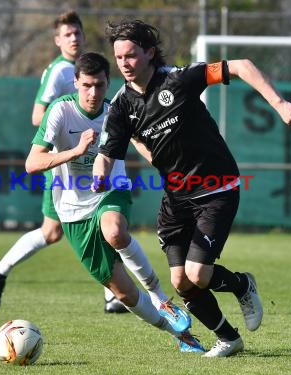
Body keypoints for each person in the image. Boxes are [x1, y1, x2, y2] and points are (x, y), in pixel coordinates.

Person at [93, 20, 291, 357]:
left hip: (216, 186)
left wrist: (279, 104)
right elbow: (106, 154)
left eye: (131, 55)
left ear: (149, 53)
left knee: (198, 272)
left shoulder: (178, 79)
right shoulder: (121, 106)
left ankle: (242, 284)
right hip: (177, 196)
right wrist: (100, 174)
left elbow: (241, 66)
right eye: (119, 57)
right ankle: (229, 339)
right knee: (181, 282)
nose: (124, 63)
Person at [24, 51, 204, 352]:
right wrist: (75, 151)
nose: (93, 93)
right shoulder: (60, 111)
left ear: (108, 83)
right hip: (71, 210)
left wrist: (170, 169)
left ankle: (162, 299)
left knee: (115, 231)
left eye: (99, 85)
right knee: (124, 294)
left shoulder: (117, 110)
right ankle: (180, 336)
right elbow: (32, 163)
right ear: (76, 83)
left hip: (110, 189)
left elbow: (143, 143)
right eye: (86, 86)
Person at [0, 10, 126, 313]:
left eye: (77, 33)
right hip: (63, 161)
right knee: (52, 232)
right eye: (67, 34)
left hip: (86, 157)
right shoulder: (60, 71)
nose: (74, 38)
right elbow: (38, 115)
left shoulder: (84, 68)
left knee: (101, 217)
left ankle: (112, 294)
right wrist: (67, 125)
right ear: (57, 40)